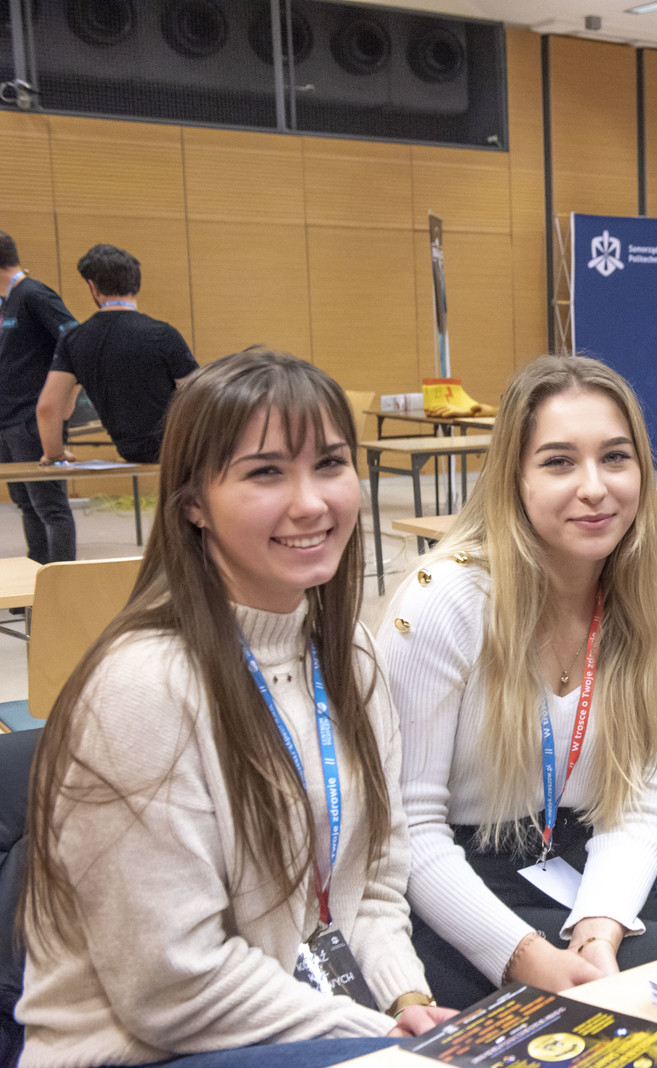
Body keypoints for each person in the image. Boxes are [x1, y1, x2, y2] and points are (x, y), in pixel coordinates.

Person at [18, 349, 452, 1068]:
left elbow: (374, 881)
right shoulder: (144, 686)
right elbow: (172, 984)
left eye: (330, 464)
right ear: (193, 502)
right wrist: (370, 1035)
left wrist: (405, 1002)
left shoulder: (348, 652)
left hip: (297, 1024)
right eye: (265, 473)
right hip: (150, 1049)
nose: (310, 503)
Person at [378, 355, 657, 1009]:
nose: (595, 488)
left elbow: (641, 803)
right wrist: (528, 957)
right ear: (514, 479)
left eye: (615, 458)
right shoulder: (444, 600)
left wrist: (599, 929)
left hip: (593, 875)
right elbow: (409, 827)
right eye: (559, 462)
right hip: (454, 887)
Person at [36, 243, 198, 465]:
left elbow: (49, 408)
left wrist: (54, 454)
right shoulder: (163, 334)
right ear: (136, 285)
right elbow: (198, 394)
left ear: (92, 286)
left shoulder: (74, 340)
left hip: (130, 452)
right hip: (177, 451)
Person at [0, 231, 78, 564]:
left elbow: (74, 339)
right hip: (8, 421)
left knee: (50, 507)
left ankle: (63, 585)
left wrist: (67, 398)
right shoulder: (7, 301)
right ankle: (38, 576)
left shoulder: (33, 294)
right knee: (26, 504)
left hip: (33, 420)